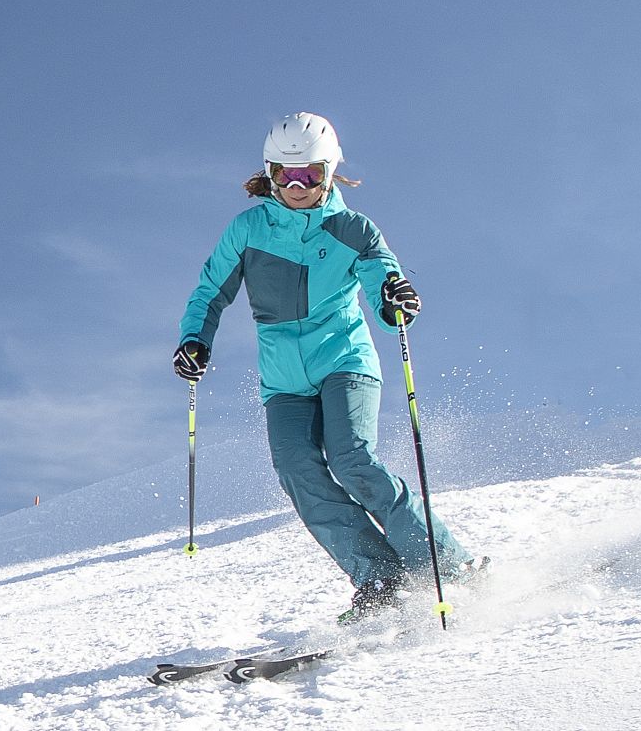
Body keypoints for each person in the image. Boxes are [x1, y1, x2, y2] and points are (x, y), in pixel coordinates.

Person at [174, 112, 482, 624]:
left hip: (344, 359)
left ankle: (447, 564)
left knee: (352, 458)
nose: (296, 186)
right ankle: (380, 577)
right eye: (284, 175)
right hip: (284, 380)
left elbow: (385, 279)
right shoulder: (248, 230)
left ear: (330, 170)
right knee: (297, 470)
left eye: (310, 175)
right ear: (270, 173)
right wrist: (194, 340)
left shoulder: (353, 229)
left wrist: (394, 300)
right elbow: (210, 292)